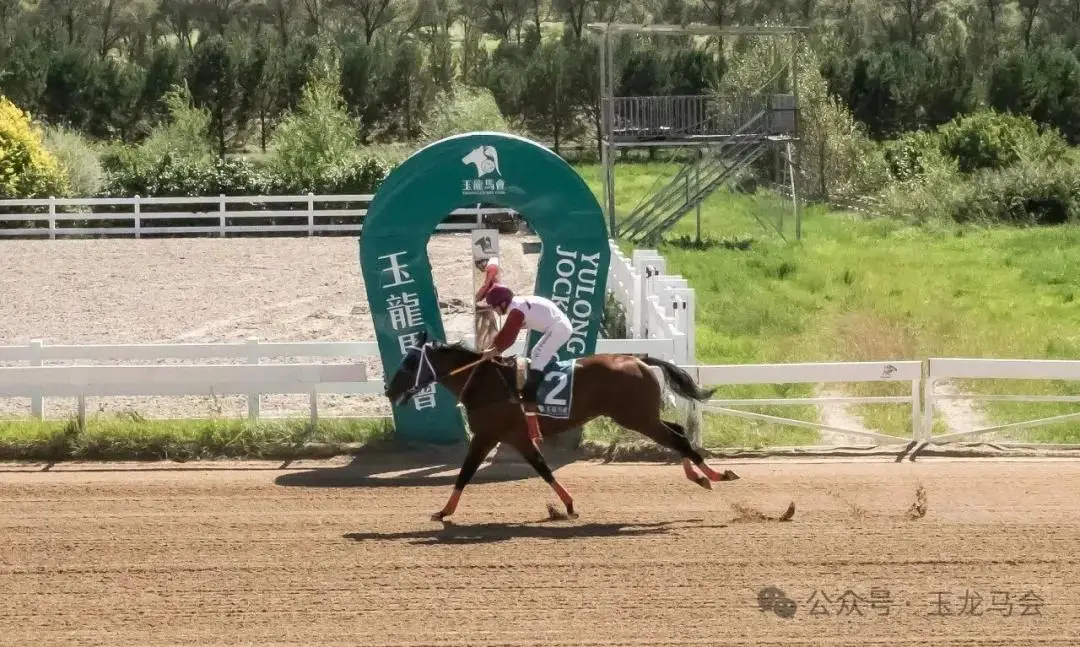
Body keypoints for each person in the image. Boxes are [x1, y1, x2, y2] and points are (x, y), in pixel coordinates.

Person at [481, 284, 573, 448]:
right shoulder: (516, 306)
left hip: (559, 328)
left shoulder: (516, 310)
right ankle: (542, 381)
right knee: (536, 352)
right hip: (558, 326)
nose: (495, 311)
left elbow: (509, 336)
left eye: (495, 307)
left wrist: (494, 350)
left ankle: (531, 393)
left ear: (502, 303)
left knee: (537, 357)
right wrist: (493, 349)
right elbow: (506, 333)